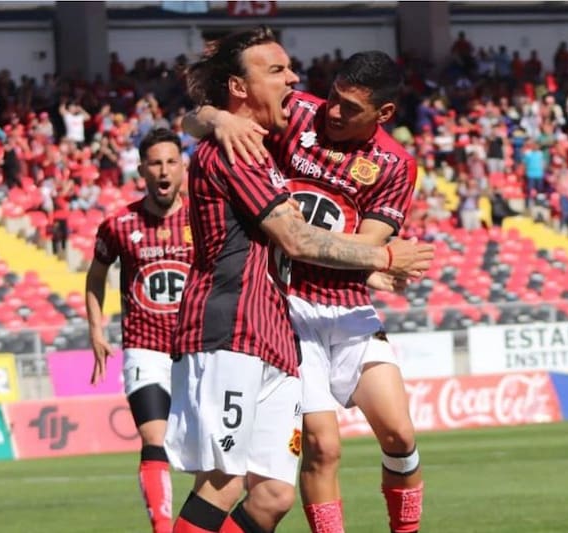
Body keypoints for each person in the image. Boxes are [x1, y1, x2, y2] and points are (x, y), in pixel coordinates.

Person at [167, 27, 433, 533]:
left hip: (330, 308)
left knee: (287, 487)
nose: (331, 111)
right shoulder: (282, 122)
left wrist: (373, 262)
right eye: (332, 98)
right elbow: (198, 116)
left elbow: (359, 250)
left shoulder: (394, 165)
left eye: (350, 108)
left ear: (383, 115)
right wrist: (217, 115)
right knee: (311, 451)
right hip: (277, 311)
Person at [85, 128, 192, 533]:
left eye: (170, 162)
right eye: (155, 163)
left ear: (182, 167)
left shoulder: (205, 216)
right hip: (145, 347)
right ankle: (162, 528)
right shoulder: (119, 224)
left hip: (198, 349)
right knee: (155, 439)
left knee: (213, 456)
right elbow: (95, 277)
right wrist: (97, 330)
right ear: (142, 170)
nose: (163, 171)